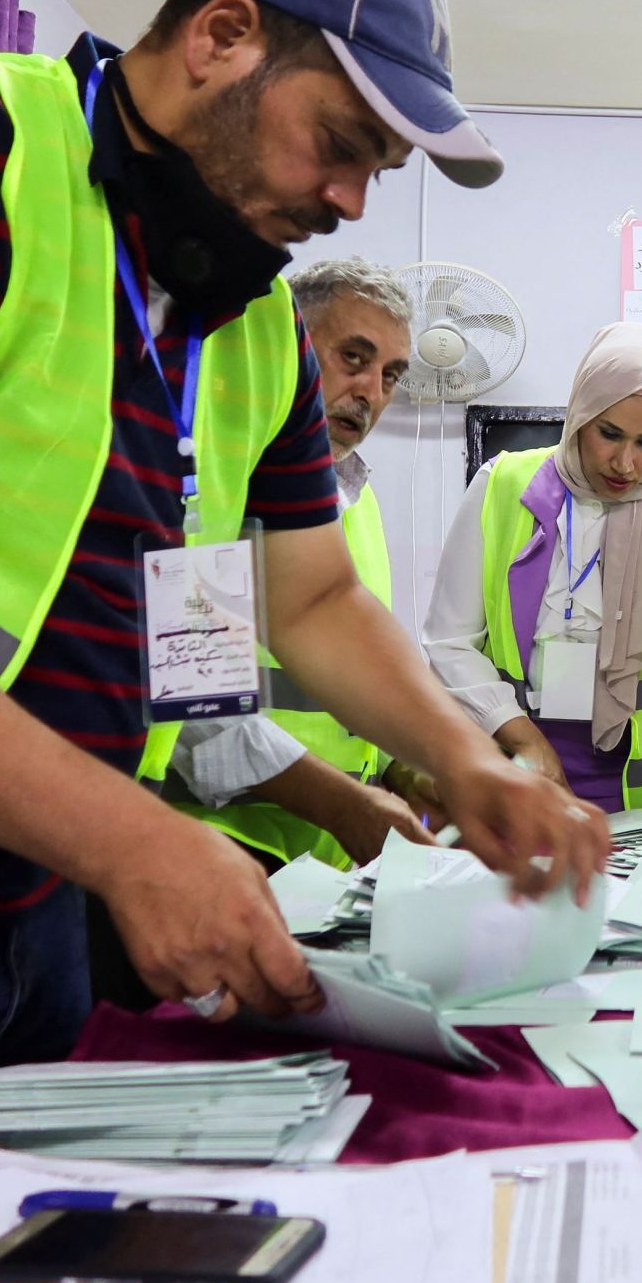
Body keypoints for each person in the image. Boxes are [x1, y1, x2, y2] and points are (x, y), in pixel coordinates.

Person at [0, 0, 606, 1273]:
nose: (347, 201)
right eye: (342, 144)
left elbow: (314, 601)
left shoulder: (244, 324)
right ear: (223, 38)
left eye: (375, 171)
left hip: (32, 922)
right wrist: (136, 841)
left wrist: (466, 761)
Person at [156, 255, 443, 871]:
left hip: (326, 857)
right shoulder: (208, 484)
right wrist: (342, 804)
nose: (371, 391)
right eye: (353, 359)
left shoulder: (355, 498)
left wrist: (405, 766)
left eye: (391, 375)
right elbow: (191, 709)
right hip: (218, 846)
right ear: (284, 351)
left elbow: (348, 673)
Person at [425, 322, 642, 853]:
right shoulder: (502, 485)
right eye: (610, 434)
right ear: (579, 416)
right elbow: (447, 642)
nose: (627, 464)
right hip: (504, 759)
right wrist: (527, 743)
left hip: (625, 786)